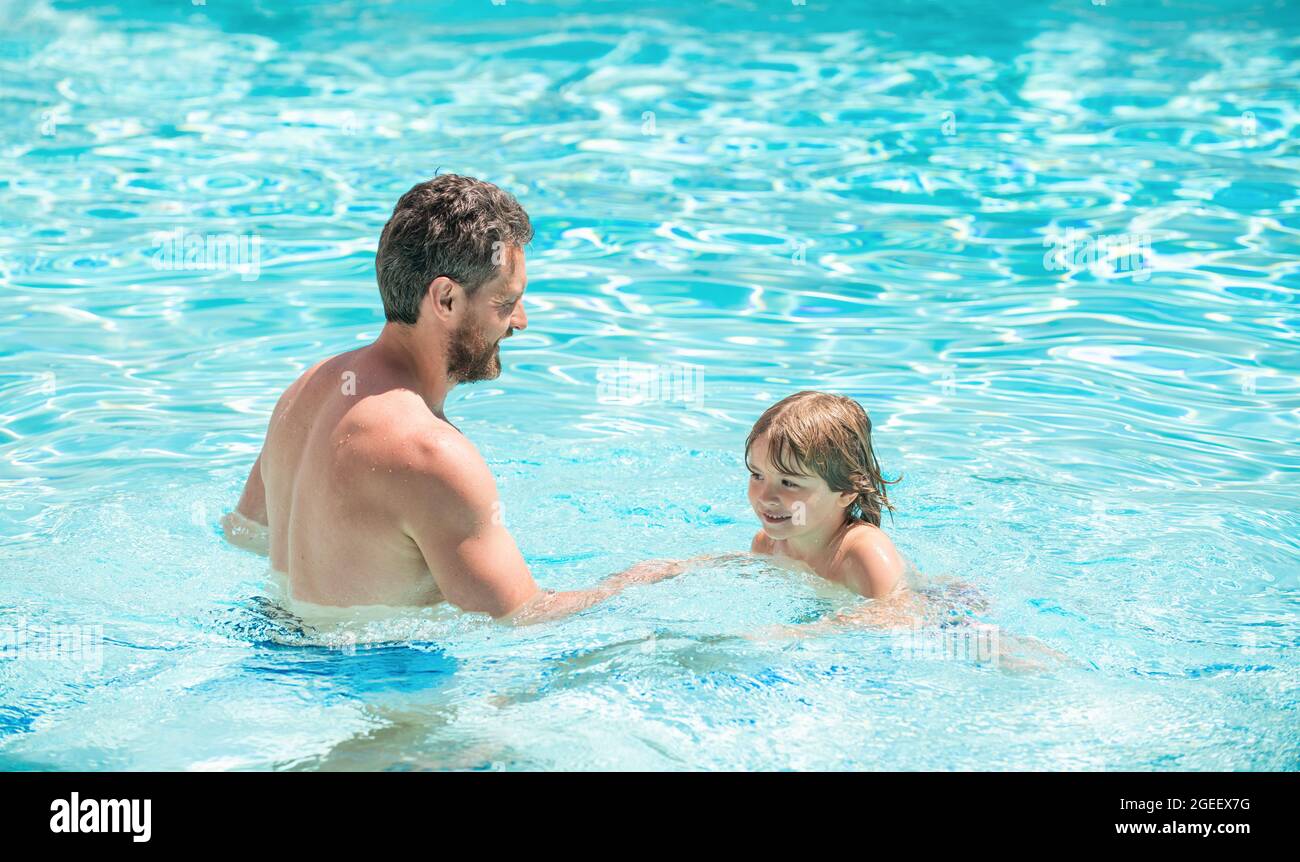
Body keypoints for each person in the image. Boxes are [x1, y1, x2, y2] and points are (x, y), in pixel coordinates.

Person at [221, 174, 681, 624]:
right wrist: (642, 580)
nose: (520, 322)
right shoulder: (429, 453)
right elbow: (520, 617)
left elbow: (244, 533)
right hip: (385, 680)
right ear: (445, 299)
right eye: (505, 303)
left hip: (280, 649)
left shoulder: (307, 388)